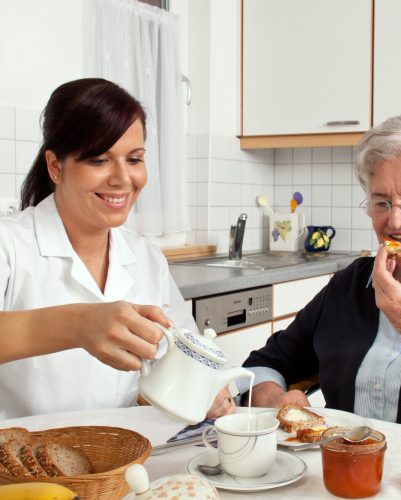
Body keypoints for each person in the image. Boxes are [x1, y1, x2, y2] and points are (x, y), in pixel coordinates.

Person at [238, 112, 401, 446]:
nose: (394, 219)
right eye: (381, 202)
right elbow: (263, 365)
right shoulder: (352, 283)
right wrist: (274, 402)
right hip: (338, 481)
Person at [0, 78, 235, 420]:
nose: (123, 178)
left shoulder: (145, 258)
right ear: (55, 166)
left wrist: (207, 389)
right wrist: (77, 324)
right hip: (24, 469)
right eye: (99, 160)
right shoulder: (10, 244)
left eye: (134, 159)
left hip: (126, 460)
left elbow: (182, 355)